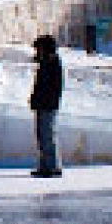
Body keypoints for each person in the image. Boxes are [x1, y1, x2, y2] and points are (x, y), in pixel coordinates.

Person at [30, 34, 64, 179]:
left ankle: (53, 167)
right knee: (42, 136)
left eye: (39, 49)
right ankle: (44, 166)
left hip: (48, 105)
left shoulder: (52, 63)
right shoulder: (45, 63)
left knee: (47, 135)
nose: (37, 52)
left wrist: (44, 101)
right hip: (42, 104)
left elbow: (50, 87)